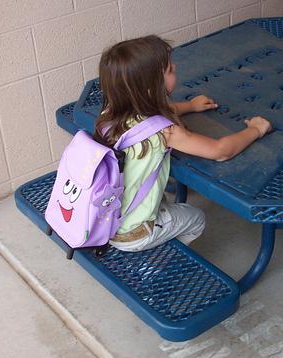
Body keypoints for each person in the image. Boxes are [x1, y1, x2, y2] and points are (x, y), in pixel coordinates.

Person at [94, 35, 271, 252]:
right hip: (133, 233)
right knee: (196, 218)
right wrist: (256, 129)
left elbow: (155, 113)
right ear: (151, 87)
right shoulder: (164, 132)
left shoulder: (109, 114)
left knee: (167, 202)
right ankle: (156, 264)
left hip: (103, 218)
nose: (175, 66)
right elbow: (221, 151)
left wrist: (190, 106)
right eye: (169, 69)